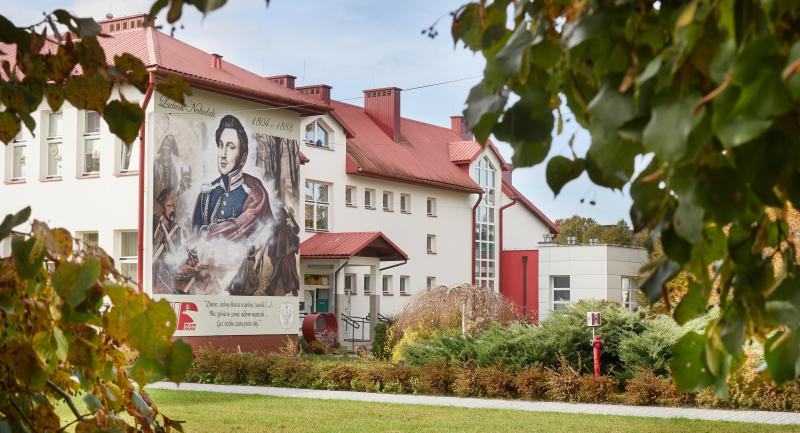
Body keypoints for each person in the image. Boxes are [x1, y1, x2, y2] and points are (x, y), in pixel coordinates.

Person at [192, 115, 272, 240]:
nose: (223, 154)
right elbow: (194, 242)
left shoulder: (254, 197)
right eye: (221, 145)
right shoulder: (205, 197)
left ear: (243, 159)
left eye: (231, 147)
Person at [153, 187, 185, 293]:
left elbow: (182, 254)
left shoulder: (178, 229)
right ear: (163, 207)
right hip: (157, 280)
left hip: (173, 279)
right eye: (169, 206)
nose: (172, 210)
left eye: (174, 206)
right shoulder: (155, 224)